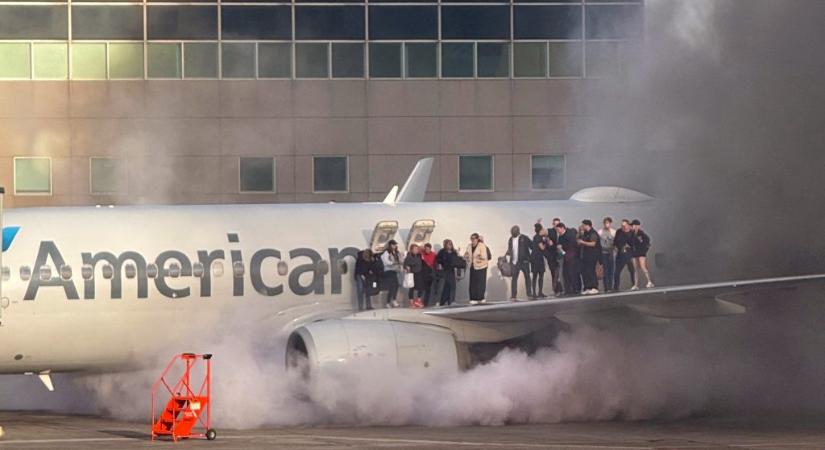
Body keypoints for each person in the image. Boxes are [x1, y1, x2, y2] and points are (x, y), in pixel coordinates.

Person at [506, 225, 533, 301]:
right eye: (511, 232)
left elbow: (532, 246)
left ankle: (529, 294)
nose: (512, 233)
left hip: (524, 262)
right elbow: (510, 249)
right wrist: (508, 256)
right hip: (515, 262)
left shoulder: (524, 238)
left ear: (518, 231)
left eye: (513, 232)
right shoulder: (510, 239)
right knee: (514, 279)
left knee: (527, 278)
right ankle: (513, 296)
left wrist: (528, 258)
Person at [464, 233, 491, 305]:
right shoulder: (469, 246)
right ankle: (473, 298)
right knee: (472, 283)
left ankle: (480, 297)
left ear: (477, 239)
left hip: (481, 266)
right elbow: (467, 254)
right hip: (472, 266)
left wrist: (479, 257)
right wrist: (466, 257)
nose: (472, 240)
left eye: (474, 238)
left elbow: (485, 256)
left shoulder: (482, 246)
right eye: (471, 238)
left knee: (481, 282)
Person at [578, 220, 601, 295]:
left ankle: (594, 287)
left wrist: (583, 242)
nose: (582, 226)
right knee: (585, 271)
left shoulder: (593, 233)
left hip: (592, 255)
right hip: (585, 256)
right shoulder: (585, 233)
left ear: (588, 225)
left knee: (591, 271)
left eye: (583, 225)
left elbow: (593, 243)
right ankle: (587, 287)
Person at [556, 222, 580, 295]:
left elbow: (573, 245)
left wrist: (562, 246)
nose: (558, 231)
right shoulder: (560, 236)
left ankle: (575, 289)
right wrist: (559, 248)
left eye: (558, 229)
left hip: (572, 256)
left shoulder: (570, 234)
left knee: (572, 272)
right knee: (565, 273)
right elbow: (559, 244)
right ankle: (568, 290)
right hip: (565, 256)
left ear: (562, 228)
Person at [613, 219, 637, 291]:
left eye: (625, 226)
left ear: (628, 225)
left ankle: (634, 284)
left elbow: (633, 243)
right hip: (620, 253)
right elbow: (615, 241)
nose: (623, 227)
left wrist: (628, 246)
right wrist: (615, 247)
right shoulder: (619, 231)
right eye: (622, 226)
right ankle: (616, 287)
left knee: (632, 269)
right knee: (617, 271)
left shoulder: (631, 233)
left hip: (628, 253)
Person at [630, 219, 654, 290]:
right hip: (634, 253)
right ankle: (636, 285)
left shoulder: (642, 234)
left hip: (641, 252)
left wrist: (644, 250)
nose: (633, 226)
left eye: (634, 225)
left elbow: (647, 242)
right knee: (635, 269)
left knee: (643, 267)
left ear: (638, 226)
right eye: (632, 225)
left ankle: (649, 281)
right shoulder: (631, 234)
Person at [436, 239, 460, 306]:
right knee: (442, 287)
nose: (449, 245)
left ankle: (451, 301)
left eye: (450, 244)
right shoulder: (442, 252)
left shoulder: (454, 252)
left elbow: (458, 262)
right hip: (444, 271)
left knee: (452, 287)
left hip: (451, 271)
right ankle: (439, 301)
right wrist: (440, 265)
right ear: (445, 245)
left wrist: (458, 274)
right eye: (448, 244)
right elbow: (438, 260)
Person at [380, 240, 402, 307]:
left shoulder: (396, 252)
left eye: (395, 245)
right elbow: (385, 262)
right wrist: (393, 263)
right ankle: (388, 302)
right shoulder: (386, 252)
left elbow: (399, 259)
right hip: (389, 271)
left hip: (395, 270)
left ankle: (394, 300)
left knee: (396, 285)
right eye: (393, 245)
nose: (395, 246)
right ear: (390, 245)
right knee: (391, 287)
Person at [598, 217, 616, 292]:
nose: (606, 224)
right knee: (605, 270)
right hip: (603, 252)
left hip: (611, 252)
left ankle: (610, 286)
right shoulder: (600, 232)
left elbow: (616, 242)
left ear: (610, 223)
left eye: (608, 223)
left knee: (611, 270)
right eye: (605, 223)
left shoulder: (613, 232)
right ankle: (606, 287)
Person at [545, 219, 561, 295]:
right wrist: (548, 241)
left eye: (558, 224)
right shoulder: (550, 231)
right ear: (553, 224)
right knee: (554, 273)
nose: (557, 226)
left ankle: (560, 289)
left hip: (560, 256)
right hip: (552, 256)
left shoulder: (562, 231)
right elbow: (545, 238)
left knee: (560, 273)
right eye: (555, 224)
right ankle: (555, 289)